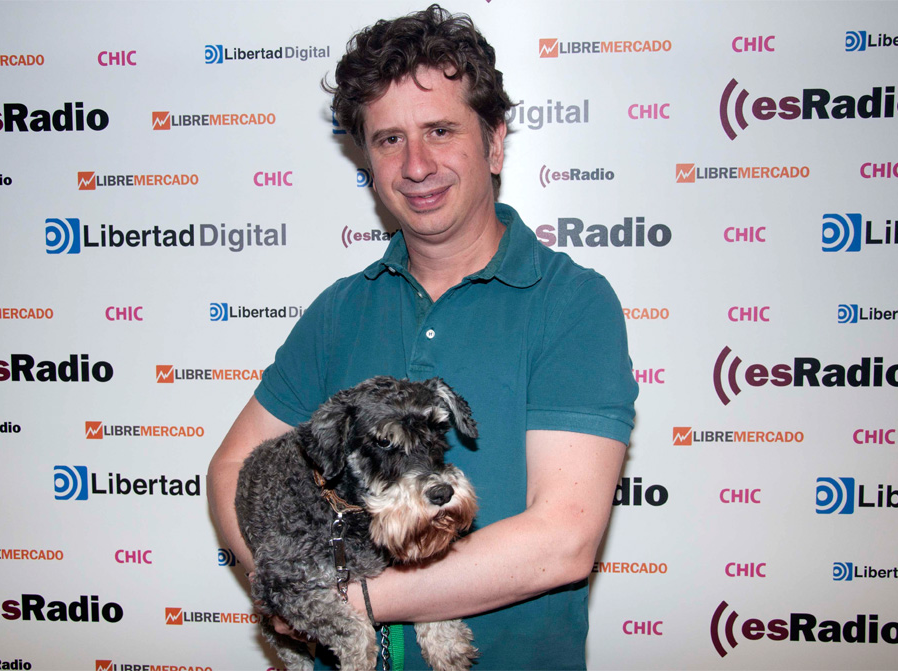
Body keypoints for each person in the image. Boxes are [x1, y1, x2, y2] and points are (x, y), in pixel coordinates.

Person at [207, 5, 639, 669]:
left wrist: (345, 601)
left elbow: (563, 539)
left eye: (440, 130)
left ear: (494, 142)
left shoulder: (571, 303)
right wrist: (285, 581)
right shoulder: (339, 309)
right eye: (389, 139)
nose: (416, 165)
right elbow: (232, 467)